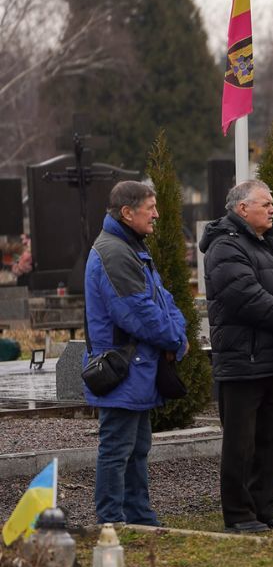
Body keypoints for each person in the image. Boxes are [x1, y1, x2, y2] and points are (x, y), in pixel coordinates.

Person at [201, 179, 273, 533]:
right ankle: (239, 514)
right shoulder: (224, 246)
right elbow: (246, 297)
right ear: (242, 208)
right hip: (242, 360)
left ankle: (266, 507)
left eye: (272, 203)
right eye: (265, 204)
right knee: (241, 444)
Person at [84, 181, 187, 526]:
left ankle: (139, 517)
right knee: (117, 449)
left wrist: (178, 333)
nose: (156, 214)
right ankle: (112, 520)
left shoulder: (130, 246)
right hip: (121, 368)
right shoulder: (114, 252)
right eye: (150, 207)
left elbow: (164, 300)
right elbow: (137, 313)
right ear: (127, 212)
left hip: (134, 368)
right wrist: (175, 339)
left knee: (137, 448)